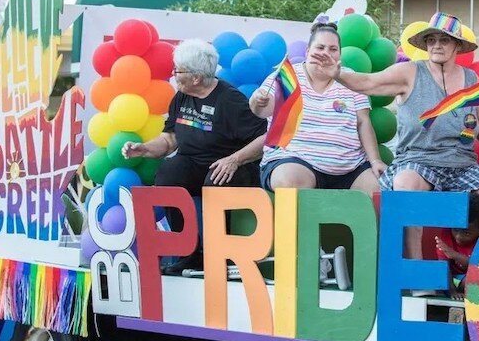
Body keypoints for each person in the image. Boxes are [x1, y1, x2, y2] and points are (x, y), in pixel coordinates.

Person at [311, 12, 479, 280]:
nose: (436, 45)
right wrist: (338, 74)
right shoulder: (410, 72)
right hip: (418, 161)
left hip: (461, 165)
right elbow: (369, 83)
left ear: (457, 46)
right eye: (431, 40)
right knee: (405, 185)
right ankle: (416, 275)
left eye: (444, 40)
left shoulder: (473, 81)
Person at [122, 39, 267, 275]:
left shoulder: (230, 100)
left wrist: (235, 159)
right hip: (193, 161)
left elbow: (265, 138)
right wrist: (145, 149)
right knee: (168, 174)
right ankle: (187, 252)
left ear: (196, 77)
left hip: (233, 165)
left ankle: (219, 255)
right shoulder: (181, 96)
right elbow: (170, 140)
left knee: (216, 180)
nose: (173, 74)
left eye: (178, 70)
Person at [250, 22, 384, 193]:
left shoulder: (349, 78)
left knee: (379, 188)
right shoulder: (287, 76)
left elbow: (363, 123)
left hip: (351, 168)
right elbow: (262, 111)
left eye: (333, 49)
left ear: (340, 54)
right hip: (294, 160)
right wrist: (257, 101)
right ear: (307, 51)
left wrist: (375, 161)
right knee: (290, 182)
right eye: (320, 47)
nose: (325, 53)